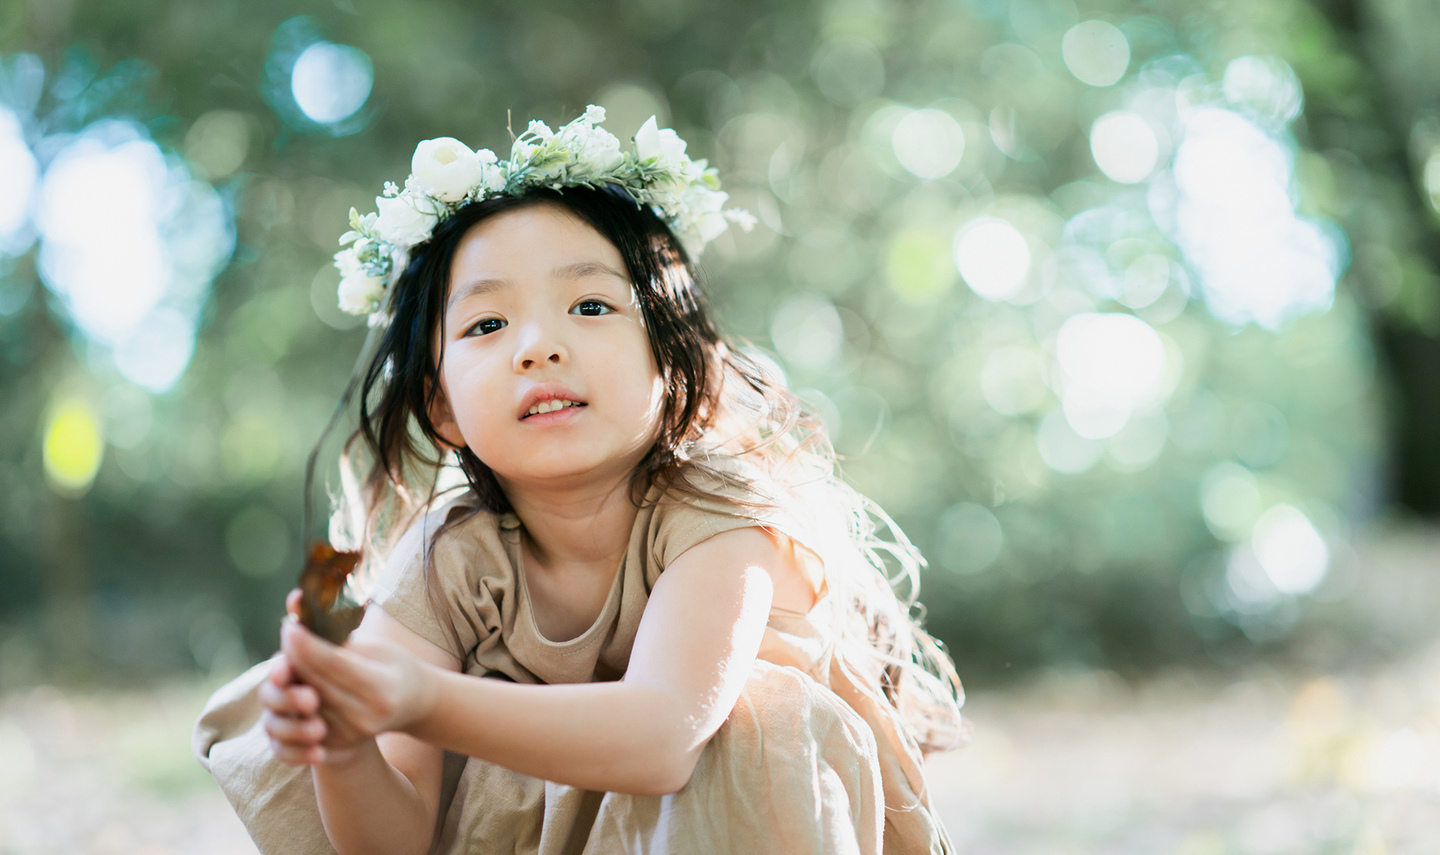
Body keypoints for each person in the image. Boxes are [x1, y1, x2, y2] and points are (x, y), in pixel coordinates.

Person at [194, 107, 967, 855]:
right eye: (487, 324)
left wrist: (422, 699)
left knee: (748, 722)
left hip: (724, 819)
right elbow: (392, 839)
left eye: (591, 304)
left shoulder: (722, 516)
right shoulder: (448, 557)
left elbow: (663, 737)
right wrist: (349, 739)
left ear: (674, 361)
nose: (537, 346)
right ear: (442, 405)